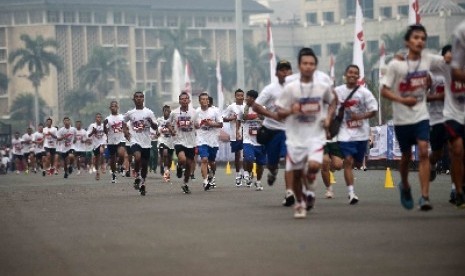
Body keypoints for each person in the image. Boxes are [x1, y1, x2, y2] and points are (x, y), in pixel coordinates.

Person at [381, 24, 444, 211]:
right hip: (402, 119)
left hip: (421, 116)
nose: (420, 41)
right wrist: (402, 99)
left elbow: (448, 60)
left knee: (424, 150)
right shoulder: (395, 65)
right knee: (406, 156)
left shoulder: (427, 60)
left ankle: (425, 196)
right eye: (416, 37)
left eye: (423, 38)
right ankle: (405, 185)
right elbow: (384, 90)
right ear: (407, 42)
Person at [276, 48, 336, 218]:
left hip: (316, 135)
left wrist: (329, 119)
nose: (308, 67)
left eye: (311, 64)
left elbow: (333, 102)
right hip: (295, 137)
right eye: (305, 64)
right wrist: (290, 111)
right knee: (296, 174)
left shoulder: (322, 87)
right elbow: (279, 112)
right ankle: (300, 202)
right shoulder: (291, 88)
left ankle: (310, 182)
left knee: (315, 166)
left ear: (315, 66)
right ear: (299, 66)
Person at [251, 60, 294, 205]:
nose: (285, 72)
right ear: (277, 73)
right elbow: (256, 106)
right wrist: (273, 115)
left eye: (288, 70)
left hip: (289, 131)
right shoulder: (270, 89)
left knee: (290, 160)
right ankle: (273, 171)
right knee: (272, 163)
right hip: (272, 130)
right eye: (282, 70)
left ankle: (289, 193)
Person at [335, 64, 378, 204]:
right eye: (350, 72)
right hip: (345, 133)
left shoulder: (364, 93)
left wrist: (359, 117)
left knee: (358, 163)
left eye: (355, 73)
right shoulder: (338, 92)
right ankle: (351, 193)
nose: (352, 75)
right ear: (345, 74)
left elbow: (374, 110)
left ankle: (357, 165)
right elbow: (331, 108)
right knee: (347, 161)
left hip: (361, 134)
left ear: (358, 76)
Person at [123, 91, 158, 196]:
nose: (139, 99)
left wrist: (151, 122)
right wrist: (126, 132)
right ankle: (137, 175)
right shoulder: (130, 113)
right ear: (133, 99)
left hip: (146, 142)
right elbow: (123, 122)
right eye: (137, 97)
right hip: (135, 140)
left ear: (143, 99)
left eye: (141, 97)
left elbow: (155, 127)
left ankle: (142, 183)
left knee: (144, 165)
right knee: (137, 157)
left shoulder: (149, 112)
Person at [446, 21, 465, 207]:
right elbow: (456, 71)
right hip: (455, 110)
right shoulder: (462, 31)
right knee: (457, 150)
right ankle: (457, 190)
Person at [427, 45, 450, 183]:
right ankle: (432, 164)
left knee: (456, 151)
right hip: (437, 118)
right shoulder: (432, 74)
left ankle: (456, 189)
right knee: (438, 153)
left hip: (455, 117)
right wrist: (440, 96)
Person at [168, 91, 197, 194]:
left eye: (186, 99)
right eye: (182, 99)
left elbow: (198, 124)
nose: (184, 100)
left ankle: (185, 183)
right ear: (179, 101)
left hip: (191, 141)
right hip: (179, 140)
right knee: (182, 159)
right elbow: (168, 124)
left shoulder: (194, 112)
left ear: (189, 100)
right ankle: (180, 166)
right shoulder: (174, 113)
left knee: (189, 165)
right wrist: (171, 130)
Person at [237, 90, 266, 191]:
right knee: (249, 158)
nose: (246, 99)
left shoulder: (262, 108)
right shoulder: (243, 109)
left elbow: (266, 119)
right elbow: (240, 119)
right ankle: (248, 173)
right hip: (248, 140)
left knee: (260, 164)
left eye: (248, 97)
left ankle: (258, 181)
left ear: (253, 99)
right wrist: (237, 132)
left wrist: (259, 117)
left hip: (260, 140)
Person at [194, 92, 223, 191]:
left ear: (208, 100)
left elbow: (220, 124)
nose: (205, 101)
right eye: (202, 99)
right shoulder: (196, 112)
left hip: (213, 140)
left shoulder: (215, 111)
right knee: (204, 160)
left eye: (206, 99)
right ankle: (205, 181)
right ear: (199, 101)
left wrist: (211, 123)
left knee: (212, 162)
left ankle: (212, 173)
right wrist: (196, 125)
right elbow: (194, 124)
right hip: (201, 139)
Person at [223, 89, 245, 186]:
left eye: (242, 95)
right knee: (237, 155)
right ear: (235, 96)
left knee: (247, 154)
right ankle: (237, 174)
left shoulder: (246, 107)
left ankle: (246, 173)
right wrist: (231, 118)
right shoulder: (231, 107)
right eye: (238, 95)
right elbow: (224, 118)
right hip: (235, 134)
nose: (240, 97)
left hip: (246, 134)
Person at [104, 101, 127, 184]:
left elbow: (125, 127)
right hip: (111, 141)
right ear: (110, 108)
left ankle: (120, 165)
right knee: (113, 159)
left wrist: (127, 133)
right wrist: (104, 127)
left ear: (118, 107)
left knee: (121, 154)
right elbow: (105, 130)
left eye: (115, 106)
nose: (114, 107)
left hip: (121, 139)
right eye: (112, 106)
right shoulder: (107, 119)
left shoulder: (122, 117)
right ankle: (113, 175)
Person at [157, 105, 175, 182]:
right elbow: (156, 129)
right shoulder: (159, 120)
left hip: (170, 141)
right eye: (165, 111)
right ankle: (163, 167)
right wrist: (157, 132)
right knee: (164, 153)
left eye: (168, 111)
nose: (167, 112)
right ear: (163, 112)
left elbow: (174, 131)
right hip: (162, 140)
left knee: (170, 158)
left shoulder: (173, 121)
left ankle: (166, 168)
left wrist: (171, 129)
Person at [87, 113, 107, 181]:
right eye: (97, 117)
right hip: (95, 144)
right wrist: (93, 132)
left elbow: (106, 133)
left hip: (102, 142)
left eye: (100, 117)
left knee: (101, 151)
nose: (99, 118)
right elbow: (88, 135)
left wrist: (106, 140)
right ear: (95, 119)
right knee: (96, 159)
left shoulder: (103, 125)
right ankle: (97, 172)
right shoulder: (92, 126)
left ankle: (103, 165)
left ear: (101, 118)